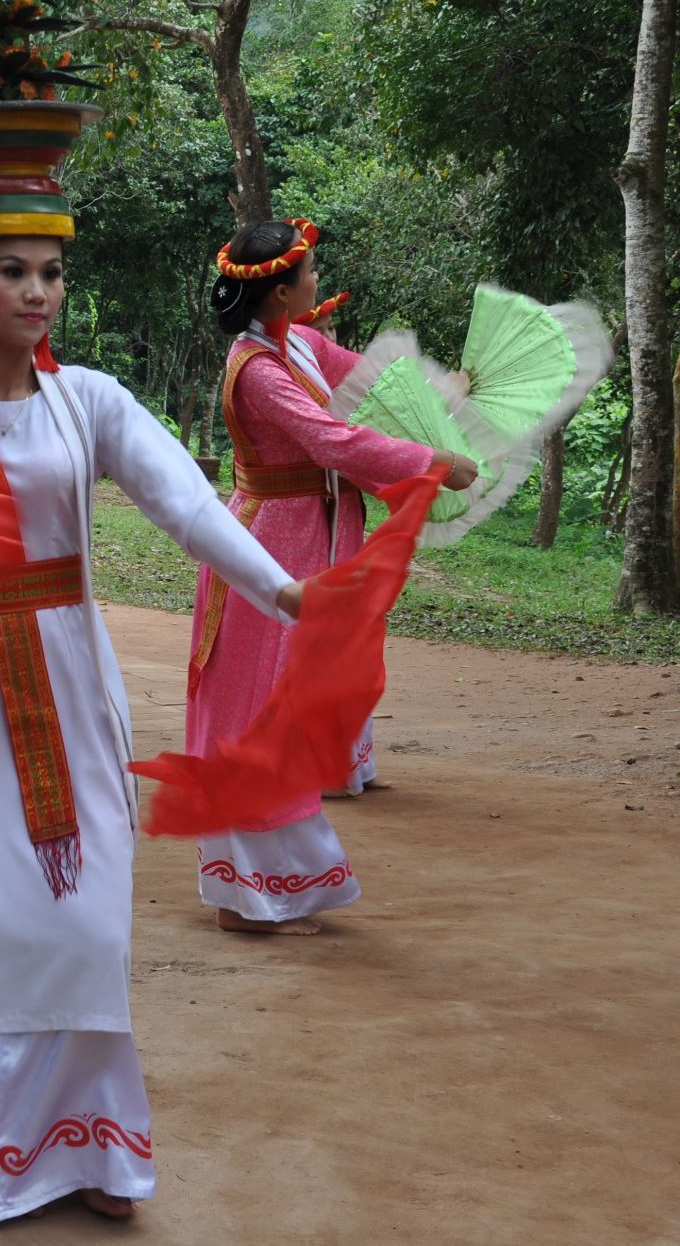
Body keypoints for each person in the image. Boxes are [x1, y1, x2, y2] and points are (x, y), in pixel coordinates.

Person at [0, 219, 310, 1223]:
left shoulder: (88, 403)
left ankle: (94, 1149)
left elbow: (188, 503)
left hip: (69, 676)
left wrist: (281, 588)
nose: (36, 292)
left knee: (81, 920)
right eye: (12, 272)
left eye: (51, 273)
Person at [188, 221, 477, 932]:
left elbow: (370, 379)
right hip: (266, 551)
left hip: (307, 540)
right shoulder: (257, 370)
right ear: (281, 291)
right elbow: (332, 439)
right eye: (311, 271)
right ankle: (246, 897)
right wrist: (433, 462)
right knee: (259, 708)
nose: (319, 279)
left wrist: (445, 390)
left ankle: (261, 887)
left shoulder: (298, 347)